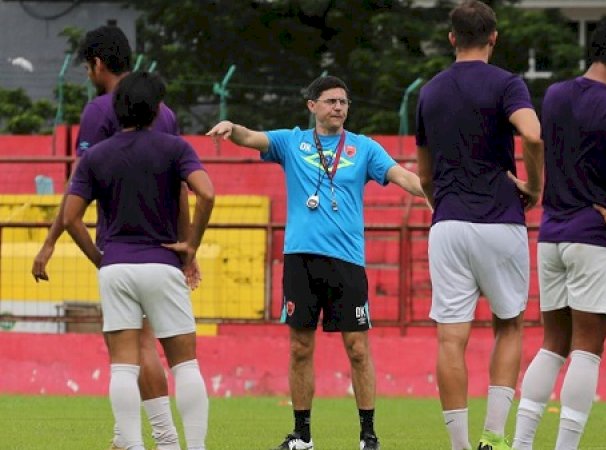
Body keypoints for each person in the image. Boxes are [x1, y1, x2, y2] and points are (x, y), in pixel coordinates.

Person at [206, 75, 425, 450]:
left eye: (343, 102)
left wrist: (439, 193)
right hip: (301, 261)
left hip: (347, 262)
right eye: (330, 101)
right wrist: (231, 127)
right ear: (312, 106)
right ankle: (302, 434)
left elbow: (402, 176)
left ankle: (368, 435)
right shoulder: (293, 142)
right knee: (299, 348)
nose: (338, 107)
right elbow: (253, 137)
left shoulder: (363, 148)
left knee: (357, 349)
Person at [30, 25, 191, 450]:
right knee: (149, 346)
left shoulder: (99, 109)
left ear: (97, 64)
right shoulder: (167, 112)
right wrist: (185, 246)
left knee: (131, 349)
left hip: (122, 247)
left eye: (87, 67)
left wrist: (57, 246)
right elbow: (182, 188)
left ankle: (162, 439)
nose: (87, 74)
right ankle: (126, 439)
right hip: (162, 248)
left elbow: (77, 187)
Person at [512, 16, 606, 450]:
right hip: (594, 238)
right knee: (587, 350)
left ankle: (520, 443)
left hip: (551, 235)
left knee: (552, 345)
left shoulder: (554, 95)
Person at [414, 1, 543, 449]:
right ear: (494, 37)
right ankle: (494, 437)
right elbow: (531, 134)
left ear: (452, 38)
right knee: (509, 325)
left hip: (448, 224)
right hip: (500, 220)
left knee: (451, 338)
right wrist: (534, 185)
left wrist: (442, 204)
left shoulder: (429, 92)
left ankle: (460, 446)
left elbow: (425, 175)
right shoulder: (507, 84)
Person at [63, 71, 213, 450]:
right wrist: (190, 244)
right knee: (186, 365)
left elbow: (69, 218)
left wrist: (100, 257)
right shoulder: (175, 148)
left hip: (116, 266)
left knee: (123, 367)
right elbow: (206, 195)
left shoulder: (96, 155)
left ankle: (131, 446)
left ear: (117, 108)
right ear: (158, 107)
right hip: (163, 264)